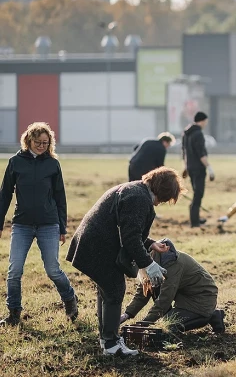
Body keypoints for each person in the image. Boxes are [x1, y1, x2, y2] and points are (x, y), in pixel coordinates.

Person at [66, 167, 185, 356]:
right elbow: (130, 238)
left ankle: (107, 339)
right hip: (97, 246)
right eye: (164, 199)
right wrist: (149, 264)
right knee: (114, 291)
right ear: (161, 190)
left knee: (107, 290)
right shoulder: (138, 198)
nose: (160, 203)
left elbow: (129, 230)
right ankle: (112, 345)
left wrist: (151, 244)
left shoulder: (135, 190)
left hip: (93, 244)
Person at [0, 122, 78, 327]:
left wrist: (62, 227)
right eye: (38, 142)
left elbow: (60, 197)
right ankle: (14, 313)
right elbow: (5, 195)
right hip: (22, 225)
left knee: (52, 269)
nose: (42, 146)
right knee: (14, 270)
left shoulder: (53, 164)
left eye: (45, 142)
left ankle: (70, 299)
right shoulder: (15, 162)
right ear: (28, 140)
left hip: (48, 224)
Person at [120, 239, 225, 333]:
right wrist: (126, 314)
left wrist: (144, 324)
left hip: (201, 300)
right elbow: (144, 291)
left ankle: (211, 315)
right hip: (185, 298)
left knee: (166, 326)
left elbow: (165, 298)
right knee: (156, 295)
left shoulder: (170, 263)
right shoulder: (152, 259)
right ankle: (203, 313)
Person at [182, 112, 214, 228]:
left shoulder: (186, 133)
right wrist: (209, 168)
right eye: (206, 121)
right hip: (199, 168)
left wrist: (185, 167)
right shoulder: (198, 134)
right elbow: (201, 153)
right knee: (199, 194)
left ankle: (195, 218)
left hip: (190, 167)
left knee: (196, 192)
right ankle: (194, 222)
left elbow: (184, 152)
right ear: (203, 120)